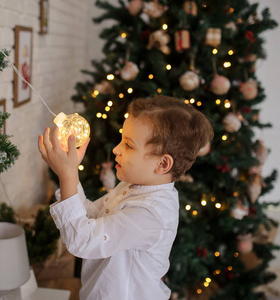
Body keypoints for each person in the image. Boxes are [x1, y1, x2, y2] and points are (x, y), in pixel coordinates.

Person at [37, 95, 214, 300]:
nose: (116, 149)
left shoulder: (151, 213)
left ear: (163, 164)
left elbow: (82, 241)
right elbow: (88, 218)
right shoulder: (133, 187)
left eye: (128, 145)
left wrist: (67, 176)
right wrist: (71, 175)